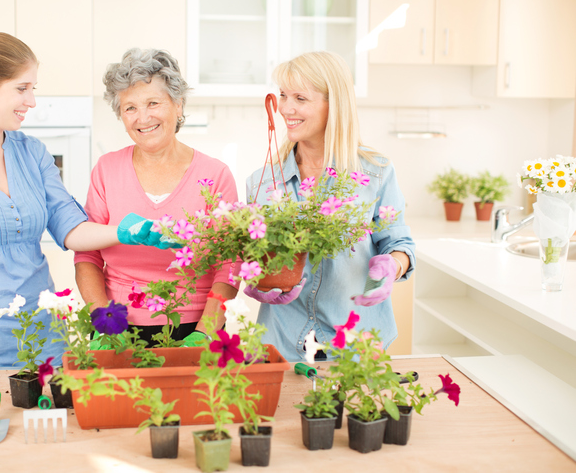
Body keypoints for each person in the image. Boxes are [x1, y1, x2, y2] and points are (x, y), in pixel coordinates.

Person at [0, 33, 174, 388]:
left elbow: (70, 228)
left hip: (47, 338)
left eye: (33, 89)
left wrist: (122, 231)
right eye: (22, 88)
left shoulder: (32, 153)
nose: (31, 101)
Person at [245, 51, 415, 362]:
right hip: (281, 344)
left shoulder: (375, 173)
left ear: (333, 104)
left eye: (300, 98)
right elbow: (255, 256)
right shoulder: (262, 183)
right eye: (283, 95)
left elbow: (399, 243)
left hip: (355, 345)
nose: (286, 108)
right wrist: (256, 278)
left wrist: (392, 265)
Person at [74, 48, 238, 346]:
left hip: (195, 325)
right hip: (118, 327)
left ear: (178, 104)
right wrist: (102, 322)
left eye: (153, 103)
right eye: (130, 108)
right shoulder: (106, 170)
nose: (143, 117)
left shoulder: (215, 175)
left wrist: (205, 331)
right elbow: (87, 256)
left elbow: (230, 262)